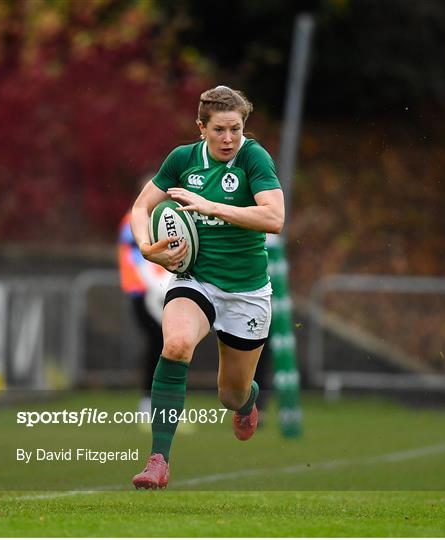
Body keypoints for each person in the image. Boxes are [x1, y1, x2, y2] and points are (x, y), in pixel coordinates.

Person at [130, 85, 284, 489]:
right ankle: (158, 460)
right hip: (196, 280)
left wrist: (211, 205)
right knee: (176, 344)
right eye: (219, 129)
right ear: (201, 127)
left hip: (247, 292)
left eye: (236, 129)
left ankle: (247, 401)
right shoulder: (181, 159)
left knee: (230, 395)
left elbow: (274, 218)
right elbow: (142, 207)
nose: (229, 138)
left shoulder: (253, 157)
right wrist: (147, 248)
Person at [118, 209, 170, 413]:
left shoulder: (163, 217)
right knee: (158, 342)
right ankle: (149, 401)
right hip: (143, 292)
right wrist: (154, 282)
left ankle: (157, 400)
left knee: (164, 344)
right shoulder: (132, 220)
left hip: (160, 291)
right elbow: (135, 254)